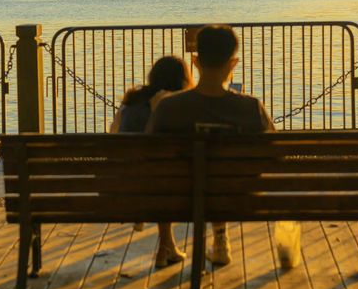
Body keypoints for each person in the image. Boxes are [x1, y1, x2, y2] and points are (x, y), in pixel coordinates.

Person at [147, 24, 279, 266]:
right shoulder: (250, 108)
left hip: (179, 198)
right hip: (240, 197)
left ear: (195, 62)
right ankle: (221, 238)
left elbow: (148, 155)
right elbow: (276, 152)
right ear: (233, 63)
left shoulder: (168, 107)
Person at [110, 55, 193, 268]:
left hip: (124, 185)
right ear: (183, 79)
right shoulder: (179, 105)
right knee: (166, 176)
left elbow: (113, 135)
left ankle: (168, 248)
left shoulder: (130, 102)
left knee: (160, 174)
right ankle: (166, 249)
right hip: (168, 185)